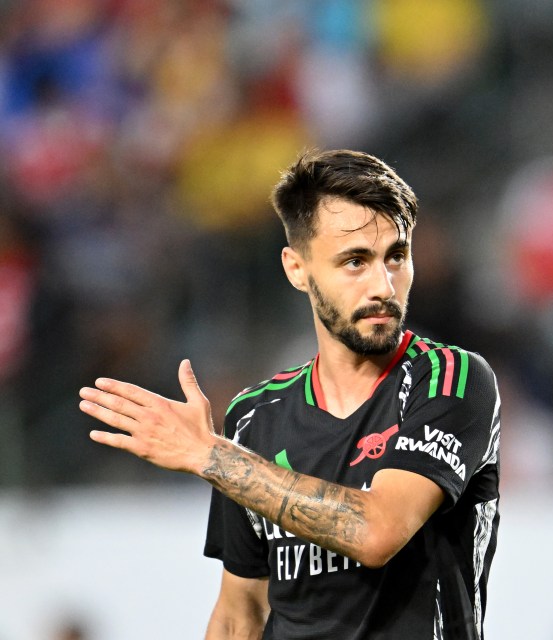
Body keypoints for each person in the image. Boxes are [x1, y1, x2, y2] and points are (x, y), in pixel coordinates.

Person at [78, 149, 502, 640]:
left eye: (396, 257)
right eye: (355, 262)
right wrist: (219, 453)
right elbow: (241, 613)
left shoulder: (450, 379)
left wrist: (210, 454)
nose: (383, 285)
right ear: (297, 269)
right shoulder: (253, 419)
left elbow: (377, 532)